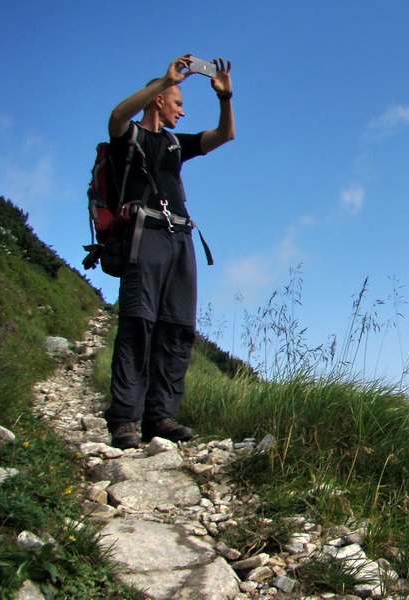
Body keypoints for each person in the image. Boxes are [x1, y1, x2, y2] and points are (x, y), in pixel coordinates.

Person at [104, 54, 235, 449]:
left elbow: (225, 136)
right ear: (159, 101)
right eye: (178, 102)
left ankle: (159, 416)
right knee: (138, 323)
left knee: (178, 328)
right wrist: (165, 80)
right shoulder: (129, 137)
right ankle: (125, 419)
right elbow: (116, 114)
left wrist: (225, 97)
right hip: (144, 236)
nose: (182, 109)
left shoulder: (177, 143)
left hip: (180, 239)